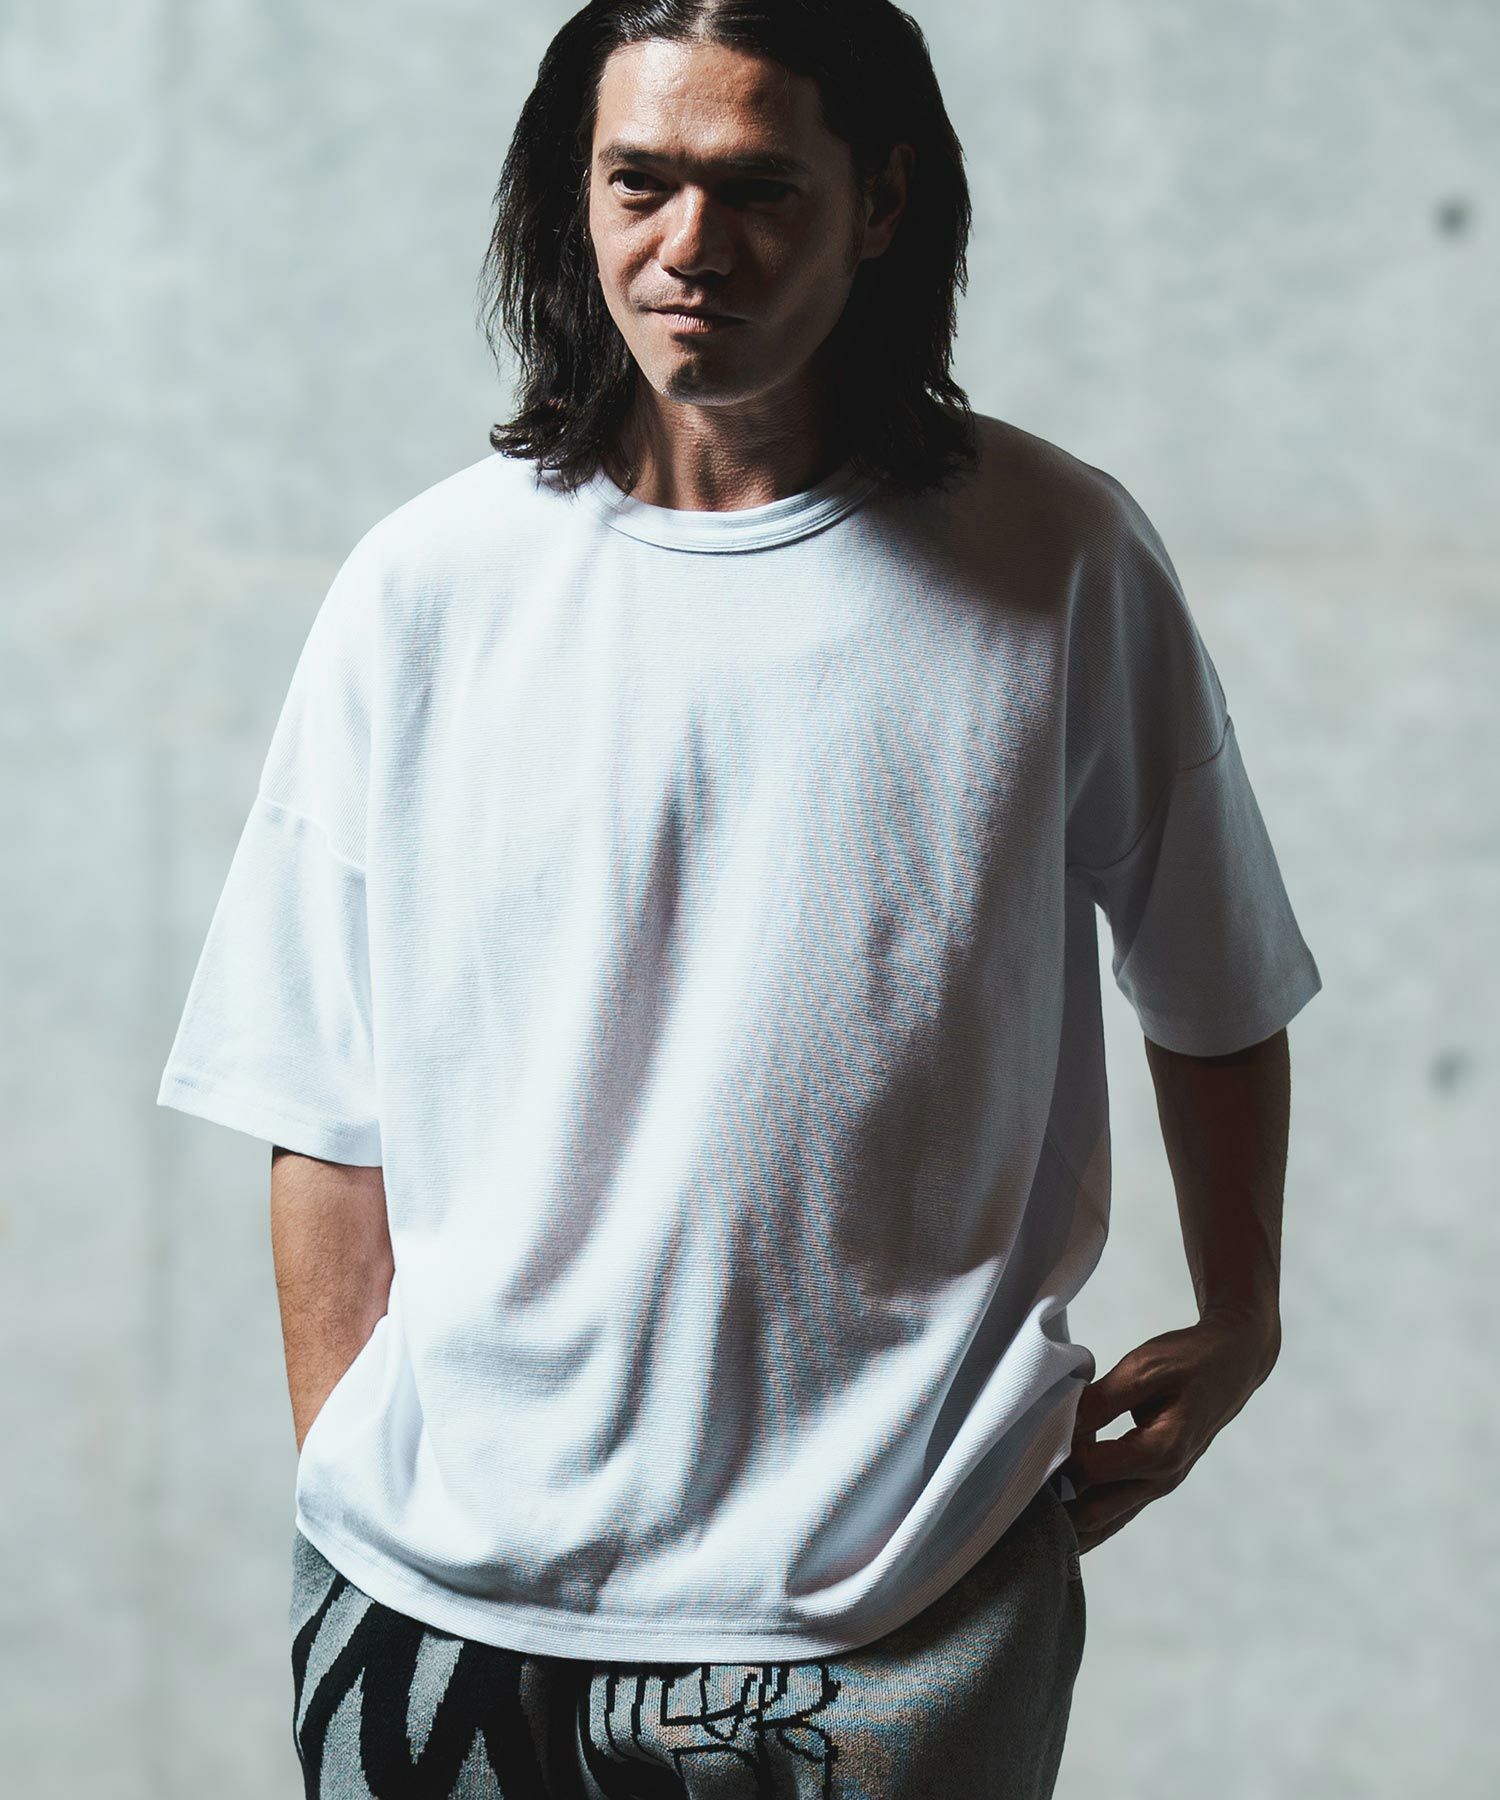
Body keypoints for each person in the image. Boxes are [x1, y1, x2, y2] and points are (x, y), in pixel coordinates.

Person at [155, 2, 1322, 1795]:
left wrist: (1242, 1315)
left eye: (760, 188)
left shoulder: (1059, 559)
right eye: (640, 182)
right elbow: (318, 1104)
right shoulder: (424, 589)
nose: (690, 245)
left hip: (902, 1591)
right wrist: (349, 1488)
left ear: (881, 203)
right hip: (435, 1604)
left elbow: (1217, 974)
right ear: (576, 198)